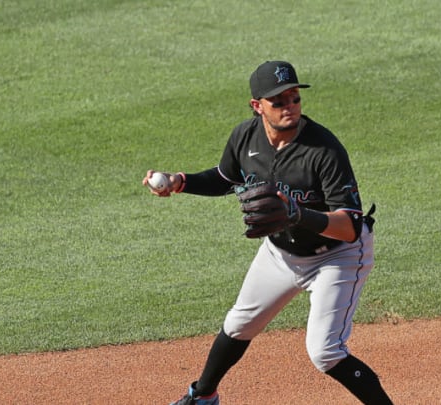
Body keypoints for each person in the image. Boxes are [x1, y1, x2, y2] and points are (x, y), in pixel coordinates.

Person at [143, 61, 393, 405]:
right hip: (282, 253)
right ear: (257, 106)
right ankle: (202, 396)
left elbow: (350, 227)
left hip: (338, 256)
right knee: (238, 325)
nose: (289, 106)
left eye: (294, 98)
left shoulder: (324, 150)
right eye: (279, 101)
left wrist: (297, 213)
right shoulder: (245, 137)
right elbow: (226, 178)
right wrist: (180, 182)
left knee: (325, 351)